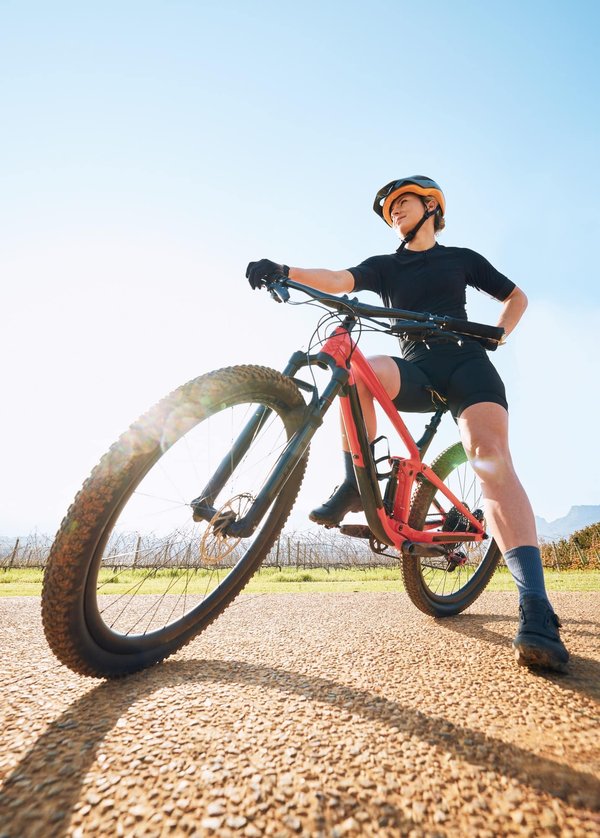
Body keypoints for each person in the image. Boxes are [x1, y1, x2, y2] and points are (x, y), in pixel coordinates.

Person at [246, 175, 569, 673]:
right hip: (415, 366)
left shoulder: (460, 258)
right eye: (390, 207)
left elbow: (516, 297)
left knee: (491, 463)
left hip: (467, 364)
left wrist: (496, 335)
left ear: (431, 207)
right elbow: (337, 278)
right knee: (356, 369)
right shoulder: (385, 266)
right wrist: (283, 269)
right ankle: (360, 480)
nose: (395, 211)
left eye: (404, 202)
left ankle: (536, 606)